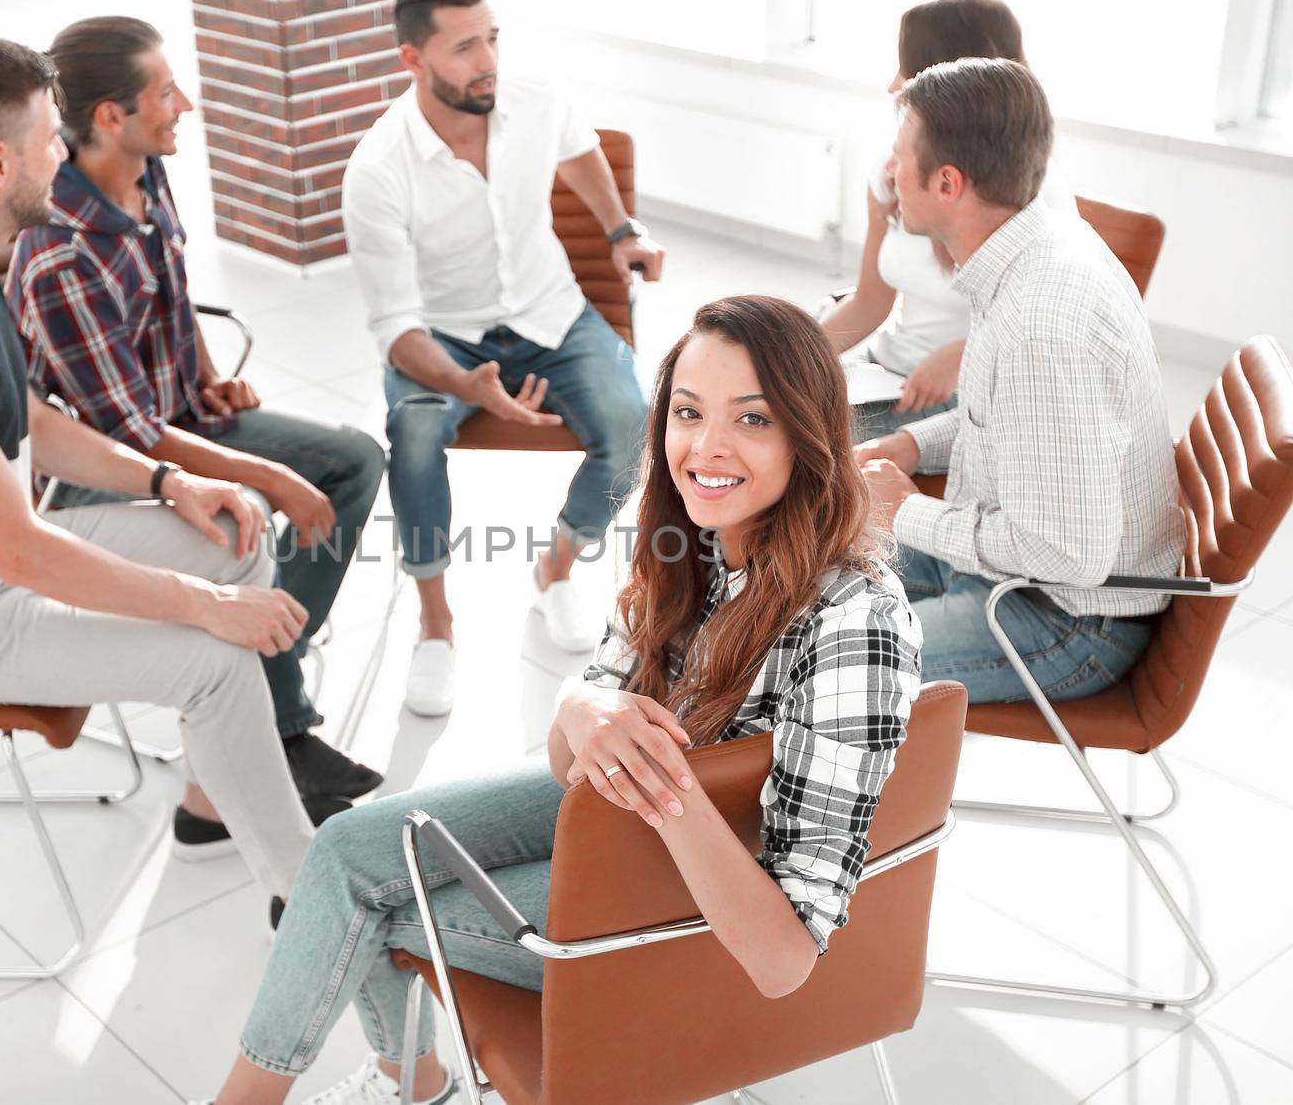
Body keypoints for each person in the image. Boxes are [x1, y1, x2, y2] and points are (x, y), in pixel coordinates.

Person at [188, 296, 923, 1105]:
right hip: (625, 816)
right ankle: (417, 1082)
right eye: (688, 412)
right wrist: (578, 708)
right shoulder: (695, 540)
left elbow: (786, 959)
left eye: (752, 419)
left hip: (701, 908)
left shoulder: (858, 623)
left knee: (370, 905)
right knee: (345, 849)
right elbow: (575, 757)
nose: (707, 448)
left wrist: (659, 782)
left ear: (807, 434)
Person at [0, 31, 314, 913]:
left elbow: (34, 426)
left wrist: (173, 484)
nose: (65, 155)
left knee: (238, 529)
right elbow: (22, 555)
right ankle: (315, 900)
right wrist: (206, 608)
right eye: (53, 138)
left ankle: (215, 801)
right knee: (216, 660)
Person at [8, 17, 387, 858]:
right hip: (107, 466)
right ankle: (272, 728)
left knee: (353, 462)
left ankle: (262, 673)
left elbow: (171, 293)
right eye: (165, 93)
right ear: (109, 115)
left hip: (177, 411)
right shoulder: (58, 252)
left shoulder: (146, 171)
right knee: (251, 508)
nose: (185, 105)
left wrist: (208, 373)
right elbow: (129, 434)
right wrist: (268, 476)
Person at [342, 0, 665, 716]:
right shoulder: (377, 171)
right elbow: (397, 329)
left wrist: (621, 230)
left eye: (492, 36)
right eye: (464, 47)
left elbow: (580, 151)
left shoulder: (534, 95)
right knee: (414, 434)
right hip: (442, 336)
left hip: (550, 314)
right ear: (412, 60)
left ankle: (554, 570)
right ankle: (436, 623)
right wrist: (466, 387)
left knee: (633, 426)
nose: (488, 58)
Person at [857, 57, 1183, 703]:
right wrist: (913, 446)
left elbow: (1065, 556)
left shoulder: (1042, 325)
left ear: (947, 182)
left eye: (899, 158)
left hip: (1063, 620)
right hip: (1007, 564)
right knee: (799, 565)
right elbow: (1012, 413)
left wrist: (906, 510)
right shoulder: (1040, 244)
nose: (890, 173)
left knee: (812, 659)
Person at [820, 0, 1074, 442]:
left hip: (959, 399)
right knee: (764, 407)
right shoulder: (894, 170)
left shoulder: (1031, 196)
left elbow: (1047, 330)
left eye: (908, 67)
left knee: (789, 448)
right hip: (886, 372)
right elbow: (870, 302)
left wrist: (965, 356)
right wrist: (788, 354)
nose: (893, 84)